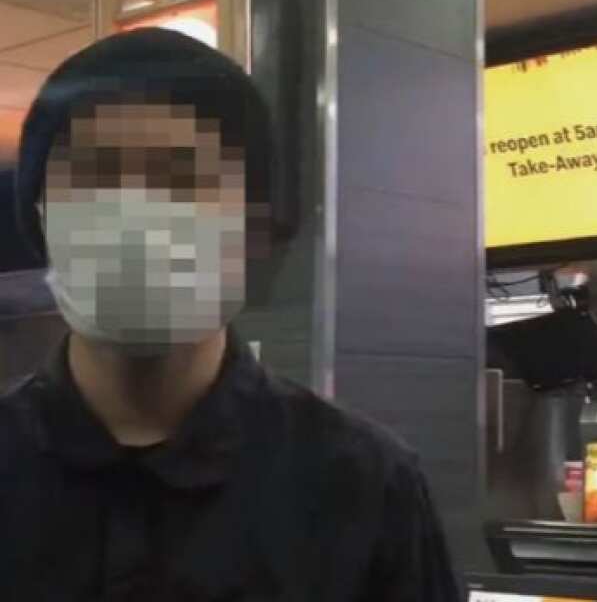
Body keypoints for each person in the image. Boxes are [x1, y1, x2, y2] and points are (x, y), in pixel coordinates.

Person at [0, 29, 458, 601]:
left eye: (183, 177)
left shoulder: (363, 485)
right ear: (40, 215)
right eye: (98, 175)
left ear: (252, 225)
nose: (138, 216)